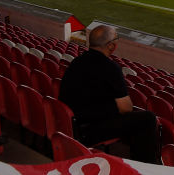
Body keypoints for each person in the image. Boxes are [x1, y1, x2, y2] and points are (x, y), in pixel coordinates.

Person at [59, 25, 161, 163]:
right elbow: (126, 108)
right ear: (111, 46)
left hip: (71, 124)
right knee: (147, 118)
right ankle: (146, 166)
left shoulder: (76, 62)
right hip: (88, 130)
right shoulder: (111, 68)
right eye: (116, 39)